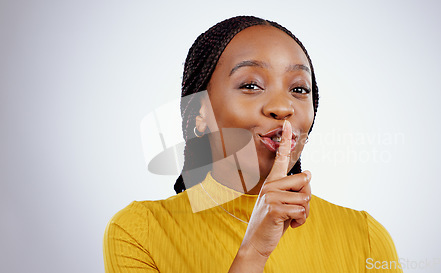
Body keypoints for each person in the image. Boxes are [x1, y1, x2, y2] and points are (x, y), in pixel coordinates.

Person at [103, 16, 402, 272]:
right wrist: (253, 252)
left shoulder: (365, 237)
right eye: (251, 85)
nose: (283, 107)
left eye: (298, 88)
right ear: (199, 113)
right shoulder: (140, 232)